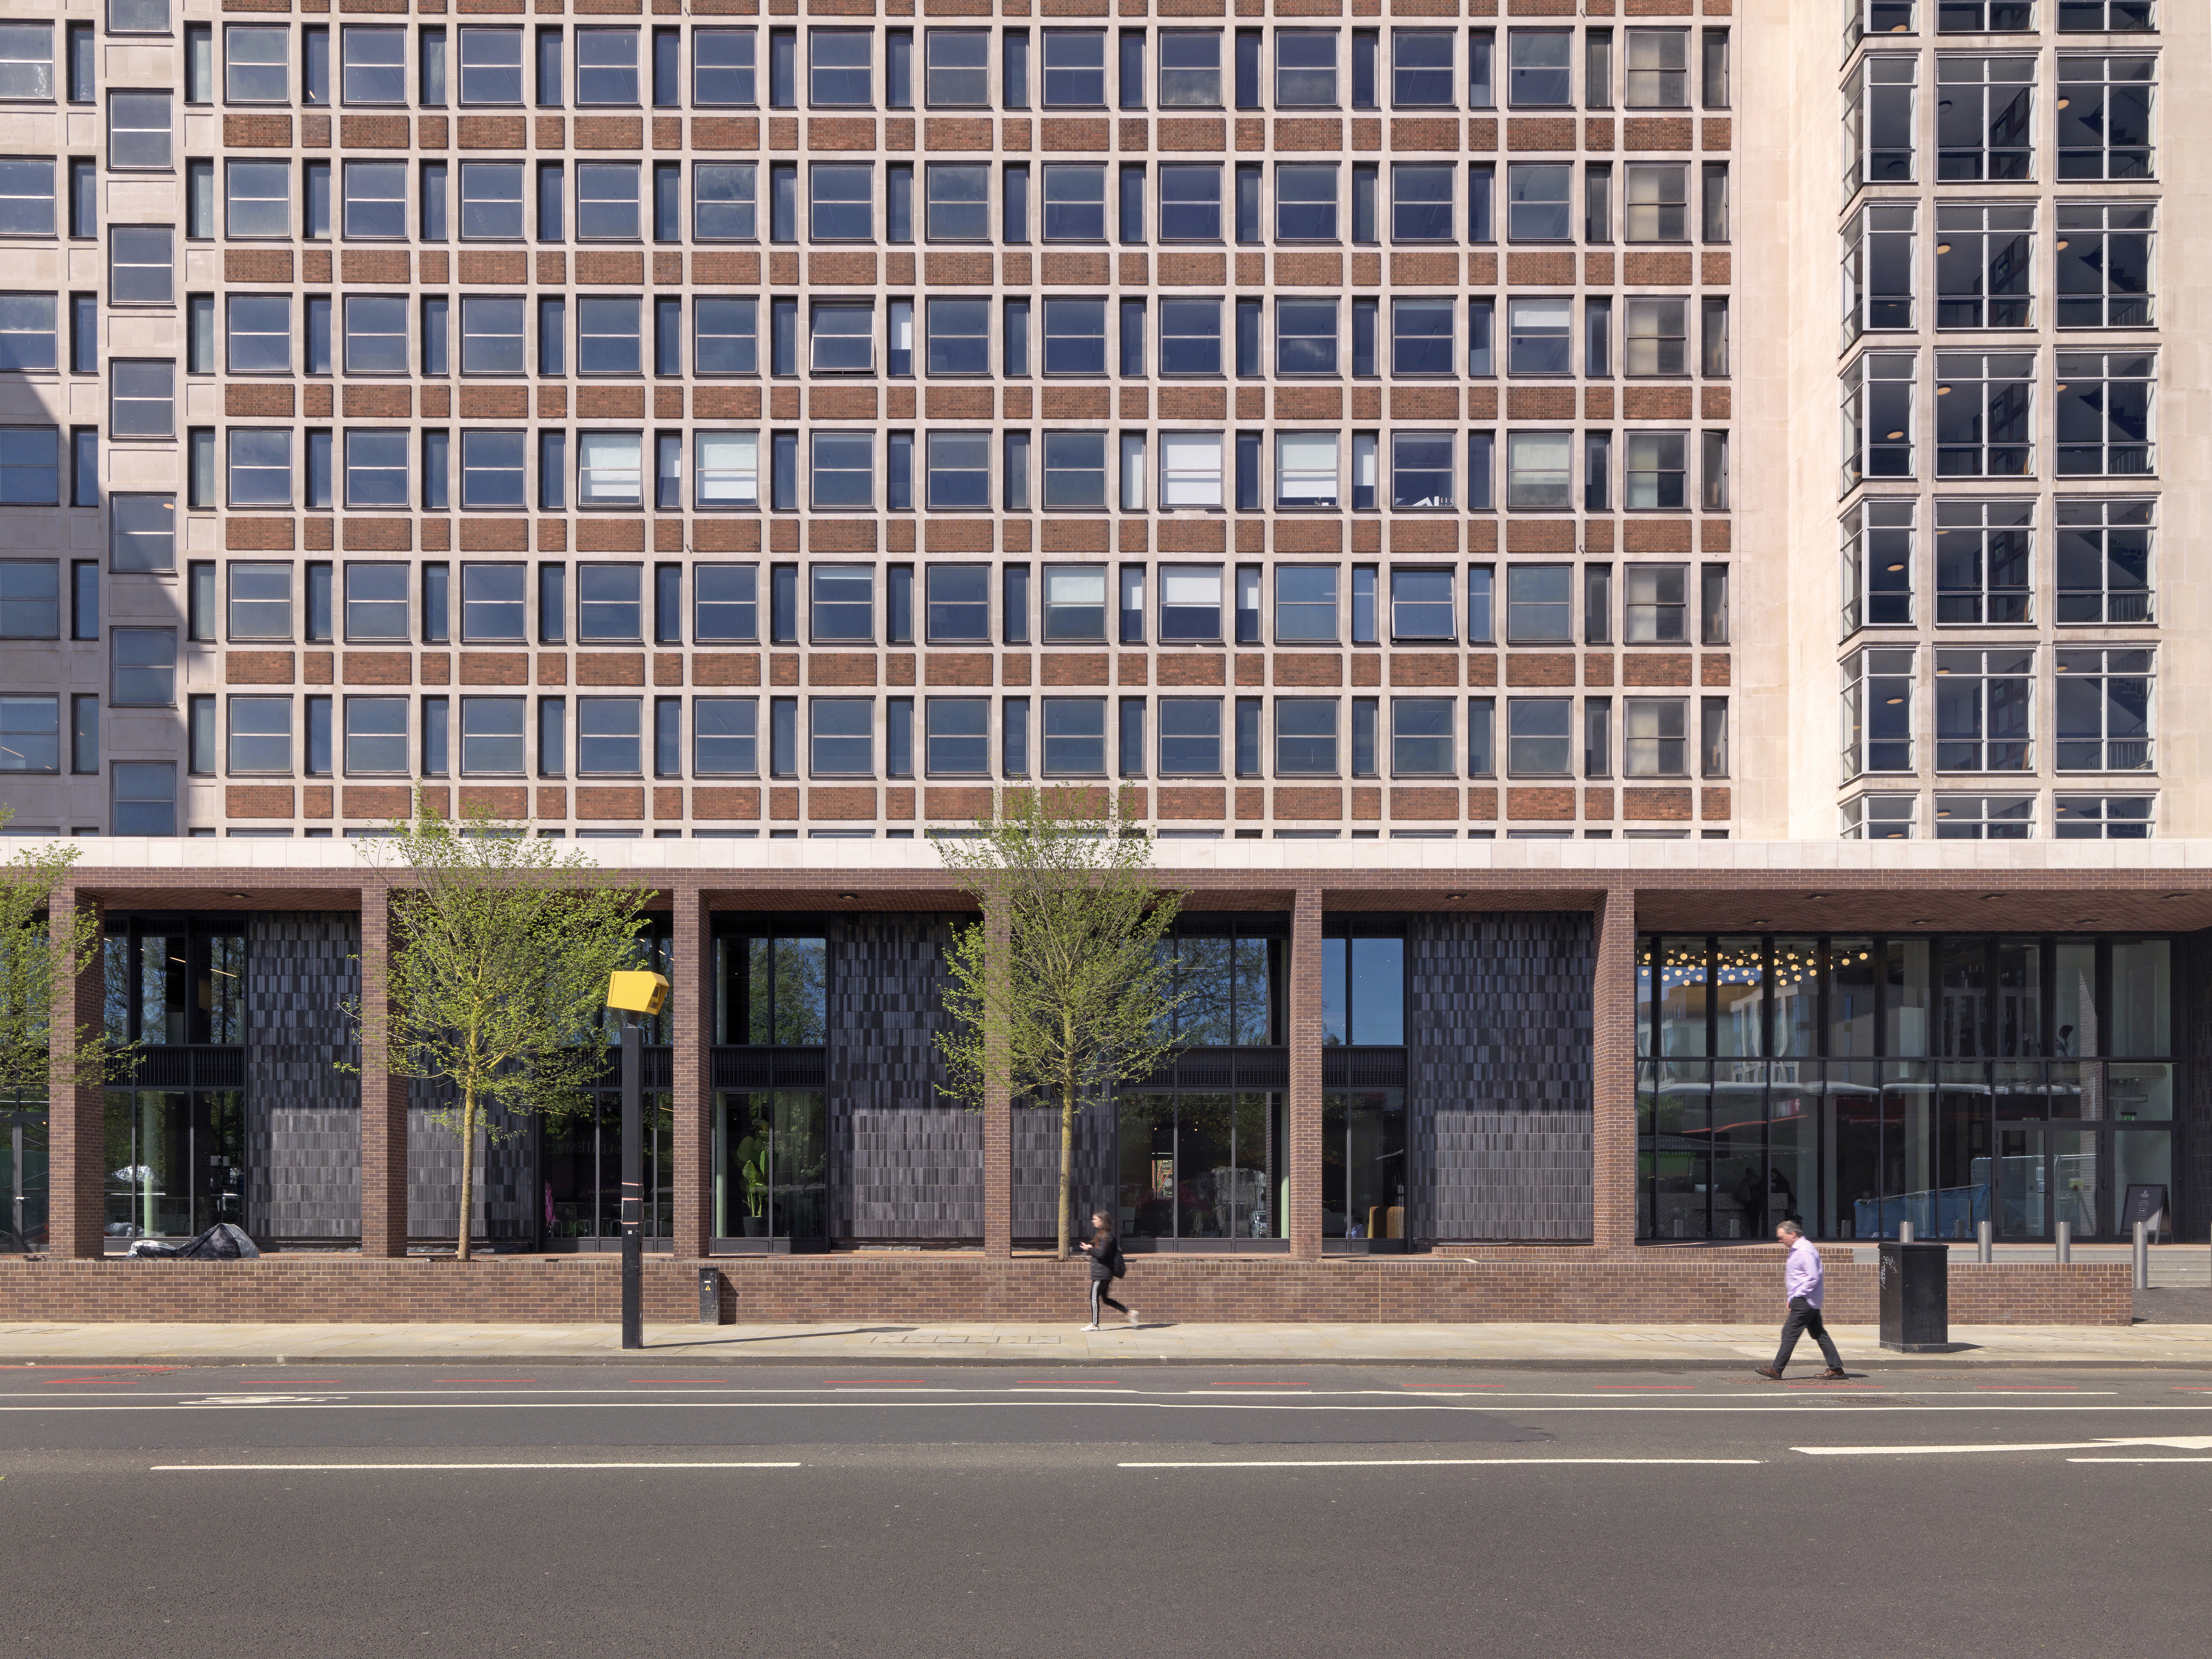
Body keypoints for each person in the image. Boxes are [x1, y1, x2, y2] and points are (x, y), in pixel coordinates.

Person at [1755, 1219, 1847, 1381]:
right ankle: (1836, 1368)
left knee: (1789, 1333)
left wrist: (1797, 1295)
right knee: (1819, 1333)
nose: (1780, 1241)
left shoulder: (1805, 1251)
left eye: (1782, 1237)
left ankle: (1777, 1370)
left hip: (1805, 1300)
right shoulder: (1798, 1249)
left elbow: (1813, 1278)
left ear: (1793, 1234)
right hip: (1807, 1299)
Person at [1074, 1210, 1138, 1331]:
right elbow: (1104, 1253)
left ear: (1102, 1221)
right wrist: (1092, 1249)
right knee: (1105, 1298)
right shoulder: (1104, 1235)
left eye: (1095, 1219)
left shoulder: (1106, 1237)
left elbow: (1101, 1254)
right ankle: (1129, 1313)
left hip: (1101, 1273)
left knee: (1093, 1297)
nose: (1093, 1221)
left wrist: (1089, 1249)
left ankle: (1094, 1325)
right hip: (1105, 1272)